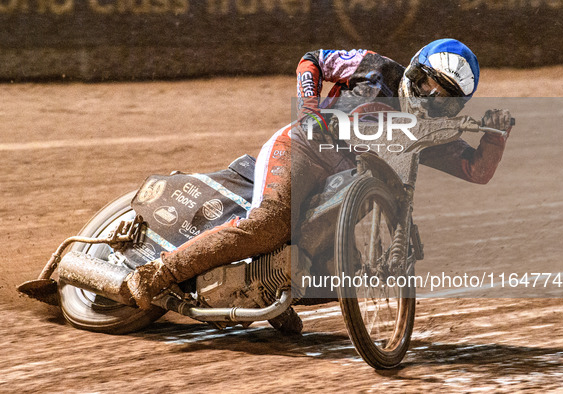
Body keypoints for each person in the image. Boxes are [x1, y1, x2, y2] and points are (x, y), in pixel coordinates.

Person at [125, 39, 513, 322]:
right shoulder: (374, 66)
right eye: (429, 84)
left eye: (445, 98)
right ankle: (157, 273)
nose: (431, 99)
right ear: (414, 71)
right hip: (305, 148)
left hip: (345, 188)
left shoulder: (430, 131)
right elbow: (311, 60)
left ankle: (265, 297)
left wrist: (496, 134)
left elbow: (475, 171)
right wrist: (309, 109)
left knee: (335, 274)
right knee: (269, 225)